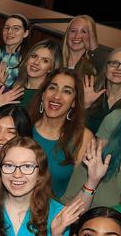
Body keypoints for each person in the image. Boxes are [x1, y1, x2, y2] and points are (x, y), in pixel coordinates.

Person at [0, 137, 88, 236]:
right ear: (0, 170)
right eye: (9, 165)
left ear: (40, 174)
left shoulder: (57, 213)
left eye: (27, 166)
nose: (17, 174)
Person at [30, 69, 95, 199]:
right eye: (52, 88)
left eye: (67, 91)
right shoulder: (23, 125)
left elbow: (77, 191)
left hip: (55, 213)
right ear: (43, 95)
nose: (57, 96)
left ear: (74, 102)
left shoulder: (82, 137)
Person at [85, 47, 121, 133]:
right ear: (106, 68)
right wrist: (84, 105)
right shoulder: (89, 92)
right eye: (114, 63)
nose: (119, 68)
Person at [12, 40, 60, 109]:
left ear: (51, 68)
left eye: (45, 61)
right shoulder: (16, 85)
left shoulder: (47, 96)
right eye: (34, 56)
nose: (36, 62)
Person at [62, 15, 100, 85]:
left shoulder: (96, 66)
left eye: (83, 32)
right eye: (73, 31)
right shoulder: (55, 58)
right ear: (67, 34)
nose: (76, 36)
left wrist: (93, 49)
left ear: (91, 36)